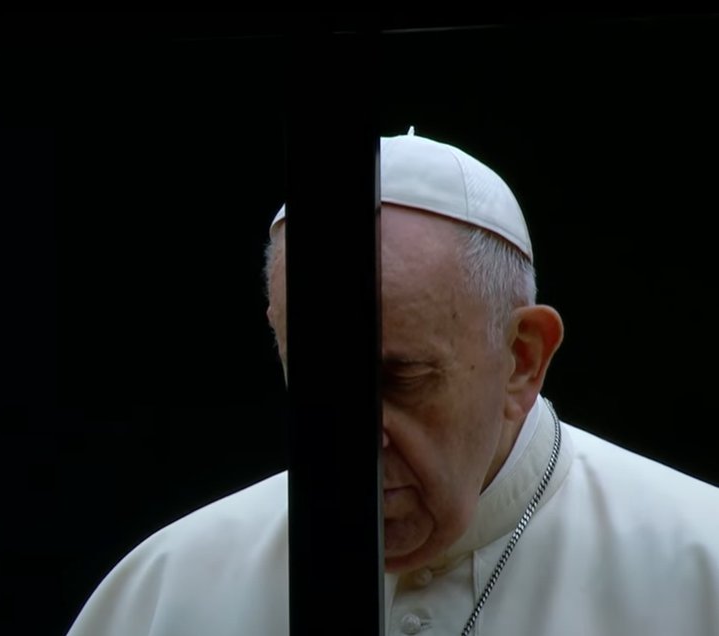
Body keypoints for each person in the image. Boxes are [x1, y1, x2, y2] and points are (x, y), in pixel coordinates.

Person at [66, 131, 719, 635]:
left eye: (399, 378)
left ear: (521, 358)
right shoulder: (166, 591)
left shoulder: (701, 563)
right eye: (318, 377)